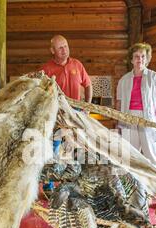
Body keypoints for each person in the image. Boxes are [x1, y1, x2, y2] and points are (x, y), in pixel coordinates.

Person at [41, 35, 93, 197]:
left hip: (76, 112)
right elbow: (41, 94)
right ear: (52, 50)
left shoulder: (77, 64)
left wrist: (87, 107)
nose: (65, 50)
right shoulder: (46, 69)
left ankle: (75, 182)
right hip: (56, 114)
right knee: (53, 148)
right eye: (60, 48)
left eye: (66, 46)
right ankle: (49, 185)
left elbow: (88, 84)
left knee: (76, 148)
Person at [116, 42, 156, 172]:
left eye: (143, 56)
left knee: (153, 155)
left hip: (149, 121)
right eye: (137, 56)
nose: (140, 59)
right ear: (132, 59)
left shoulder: (155, 78)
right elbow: (119, 103)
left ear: (147, 58)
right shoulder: (123, 80)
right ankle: (131, 187)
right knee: (129, 156)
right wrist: (119, 123)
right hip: (128, 120)